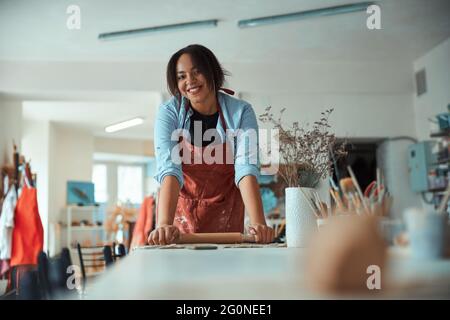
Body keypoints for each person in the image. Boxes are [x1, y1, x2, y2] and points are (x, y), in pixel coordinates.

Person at [148, 44, 274, 245]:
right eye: (181, 76)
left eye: (197, 72)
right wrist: (163, 224)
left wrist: (259, 224)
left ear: (212, 72)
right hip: (179, 225)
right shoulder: (169, 112)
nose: (190, 81)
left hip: (226, 219)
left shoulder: (240, 112)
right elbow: (169, 169)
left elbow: (246, 169)